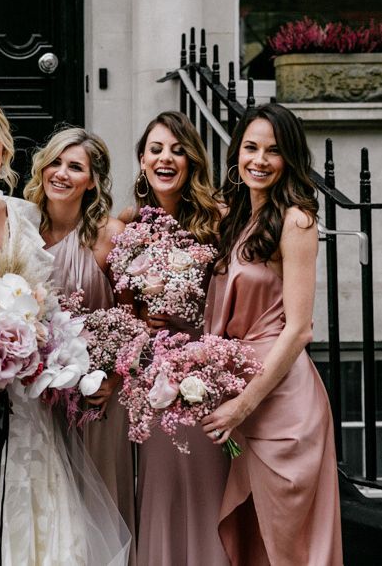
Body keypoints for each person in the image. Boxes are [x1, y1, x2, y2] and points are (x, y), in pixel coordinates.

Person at [0, 97, 130, 566]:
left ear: (7, 147)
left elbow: (42, 299)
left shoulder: (24, 214)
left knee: (34, 499)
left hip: (28, 397)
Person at [201, 103, 342, 565]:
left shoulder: (296, 220)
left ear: (290, 159)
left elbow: (299, 329)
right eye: (250, 147)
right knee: (251, 540)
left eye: (273, 151)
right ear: (236, 153)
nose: (259, 160)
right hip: (238, 393)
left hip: (281, 403)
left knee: (289, 547)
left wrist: (244, 403)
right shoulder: (236, 215)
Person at [118, 111, 227, 566]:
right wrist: (139, 322)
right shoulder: (127, 226)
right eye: (156, 149)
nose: (166, 158)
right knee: (159, 491)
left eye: (178, 150)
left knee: (208, 491)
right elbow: (120, 307)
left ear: (193, 161)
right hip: (152, 383)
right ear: (142, 160)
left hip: (208, 375)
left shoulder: (217, 221)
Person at [24, 126, 137, 561]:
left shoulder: (108, 236)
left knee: (101, 508)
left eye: (76, 167)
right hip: (35, 400)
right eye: (55, 162)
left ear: (92, 180)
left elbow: (134, 319)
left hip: (97, 399)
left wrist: (113, 376)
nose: (62, 173)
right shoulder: (22, 230)